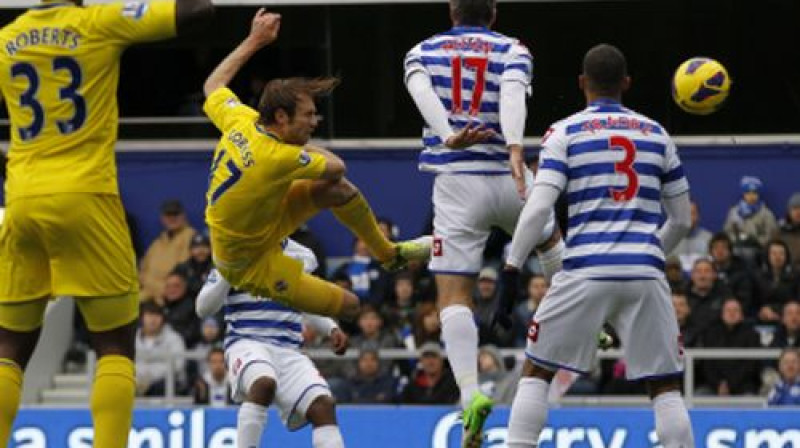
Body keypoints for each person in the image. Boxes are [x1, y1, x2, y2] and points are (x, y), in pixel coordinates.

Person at [0, 0, 213, 445]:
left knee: (9, 349)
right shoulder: (96, 22)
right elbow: (195, 10)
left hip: (21, 197)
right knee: (115, 346)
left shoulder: (8, 37)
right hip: (86, 195)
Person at [501, 44, 695, 448]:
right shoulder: (657, 134)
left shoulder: (565, 132)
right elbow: (680, 219)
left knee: (537, 371)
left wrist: (513, 266)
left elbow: (539, 207)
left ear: (581, 83)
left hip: (584, 269)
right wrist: (647, 252)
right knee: (665, 386)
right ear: (626, 83)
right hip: (644, 273)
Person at [202, 9, 430, 324]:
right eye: (308, 115)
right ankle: (236, 285)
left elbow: (213, 85)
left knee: (338, 192)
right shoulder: (275, 157)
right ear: (281, 117)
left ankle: (388, 254)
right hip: (249, 262)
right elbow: (337, 165)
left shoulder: (243, 120)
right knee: (351, 307)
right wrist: (297, 147)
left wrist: (254, 40)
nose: (314, 121)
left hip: (264, 219)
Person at [403, 1, 565, 442]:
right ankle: (584, 322)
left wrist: (447, 135)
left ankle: (470, 394)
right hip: (508, 174)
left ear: (451, 10)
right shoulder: (514, 49)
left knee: (454, 295)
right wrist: (515, 146)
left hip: (457, 184)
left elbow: (424, 96)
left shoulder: (421, 51)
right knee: (550, 239)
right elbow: (511, 92)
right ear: (493, 12)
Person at [196, 239, 349, 448]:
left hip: (288, 350)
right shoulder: (233, 252)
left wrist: (330, 328)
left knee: (323, 406)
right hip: (247, 342)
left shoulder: (302, 256)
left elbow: (307, 300)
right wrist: (227, 270)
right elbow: (203, 308)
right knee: (263, 383)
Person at [139, 199, 197, 303]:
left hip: (172, 297)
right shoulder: (158, 242)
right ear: (162, 218)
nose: (172, 218)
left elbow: (182, 274)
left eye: (175, 214)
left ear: (183, 216)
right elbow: (143, 271)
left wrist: (159, 288)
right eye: (168, 215)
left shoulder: (191, 236)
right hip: (147, 294)